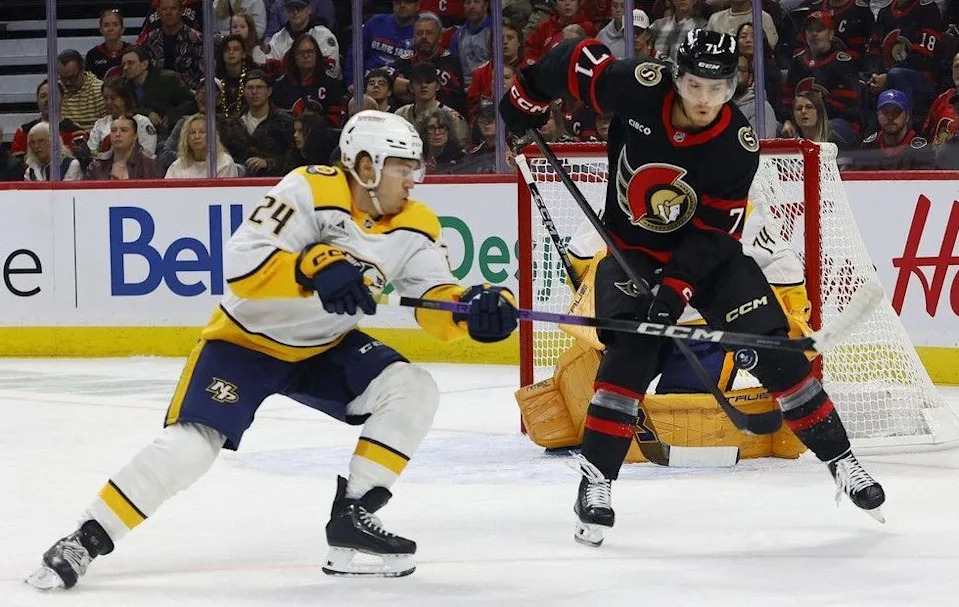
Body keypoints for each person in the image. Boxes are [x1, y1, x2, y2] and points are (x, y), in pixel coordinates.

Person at [26, 109, 518, 588]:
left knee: (413, 388)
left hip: (325, 347)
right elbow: (240, 264)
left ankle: (352, 523)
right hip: (244, 342)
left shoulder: (418, 224)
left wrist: (473, 311)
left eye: (416, 168)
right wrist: (311, 266)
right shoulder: (309, 188)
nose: (414, 179)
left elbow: (433, 298)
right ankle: (86, 537)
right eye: (403, 167)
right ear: (366, 165)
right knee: (191, 447)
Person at [498, 28, 885, 547]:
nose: (705, 99)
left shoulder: (735, 145)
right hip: (632, 249)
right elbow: (578, 59)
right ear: (676, 77)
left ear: (734, 87)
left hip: (708, 260)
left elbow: (712, 235)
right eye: (696, 85)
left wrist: (676, 289)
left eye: (718, 88)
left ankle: (842, 461)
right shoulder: (637, 84)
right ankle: (595, 483)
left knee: (777, 355)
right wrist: (526, 95)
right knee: (628, 359)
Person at [87, 77, 157, 158]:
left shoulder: (142, 122)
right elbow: (92, 150)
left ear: (125, 99)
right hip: (104, 167)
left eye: (113, 98)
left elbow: (148, 153)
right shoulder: (100, 123)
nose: (108, 102)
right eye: (105, 98)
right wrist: (100, 154)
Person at [84, 114, 161, 180]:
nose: (117, 134)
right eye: (113, 130)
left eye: (124, 130)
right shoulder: (97, 165)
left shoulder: (150, 164)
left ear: (135, 136)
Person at [164, 113, 239, 178]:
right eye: (192, 132)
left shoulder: (224, 163)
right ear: (186, 138)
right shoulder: (177, 166)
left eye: (202, 132)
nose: (197, 136)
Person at [85, 9, 137, 81]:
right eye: (106, 25)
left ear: (122, 29)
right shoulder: (93, 54)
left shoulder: (134, 51)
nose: (110, 29)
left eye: (115, 24)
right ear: (100, 29)